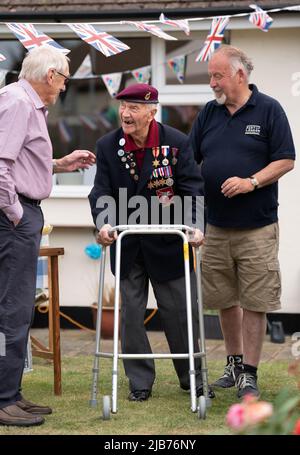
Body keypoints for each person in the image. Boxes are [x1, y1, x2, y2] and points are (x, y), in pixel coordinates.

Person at [89, 83, 214, 403]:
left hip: (168, 244)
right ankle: (139, 381)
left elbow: (193, 189)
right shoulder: (108, 145)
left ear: (151, 111)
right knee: (131, 315)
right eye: (122, 107)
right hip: (128, 243)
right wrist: (103, 224)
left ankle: (193, 379)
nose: (125, 114)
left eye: (133, 108)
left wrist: (196, 228)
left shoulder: (176, 143)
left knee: (180, 314)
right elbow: (100, 191)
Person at [190, 45, 295, 399]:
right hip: (216, 227)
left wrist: (251, 181)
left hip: (257, 228)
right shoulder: (208, 114)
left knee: (255, 301)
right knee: (224, 299)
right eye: (210, 77)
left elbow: (286, 160)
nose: (212, 84)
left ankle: (250, 372)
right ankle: (233, 364)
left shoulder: (269, 110)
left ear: (240, 75)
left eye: (217, 76)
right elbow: (190, 162)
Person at [0, 45, 95, 427]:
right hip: (13, 218)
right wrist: (17, 214)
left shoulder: (23, 102)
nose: (64, 87)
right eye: (65, 79)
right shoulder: (18, 103)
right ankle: (4, 398)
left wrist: (58, 165)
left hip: (19, 214)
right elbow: (1, 167)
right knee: (12, 308)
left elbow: (21, 162)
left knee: (17, 307)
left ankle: (11, 393)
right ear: (50, 76)